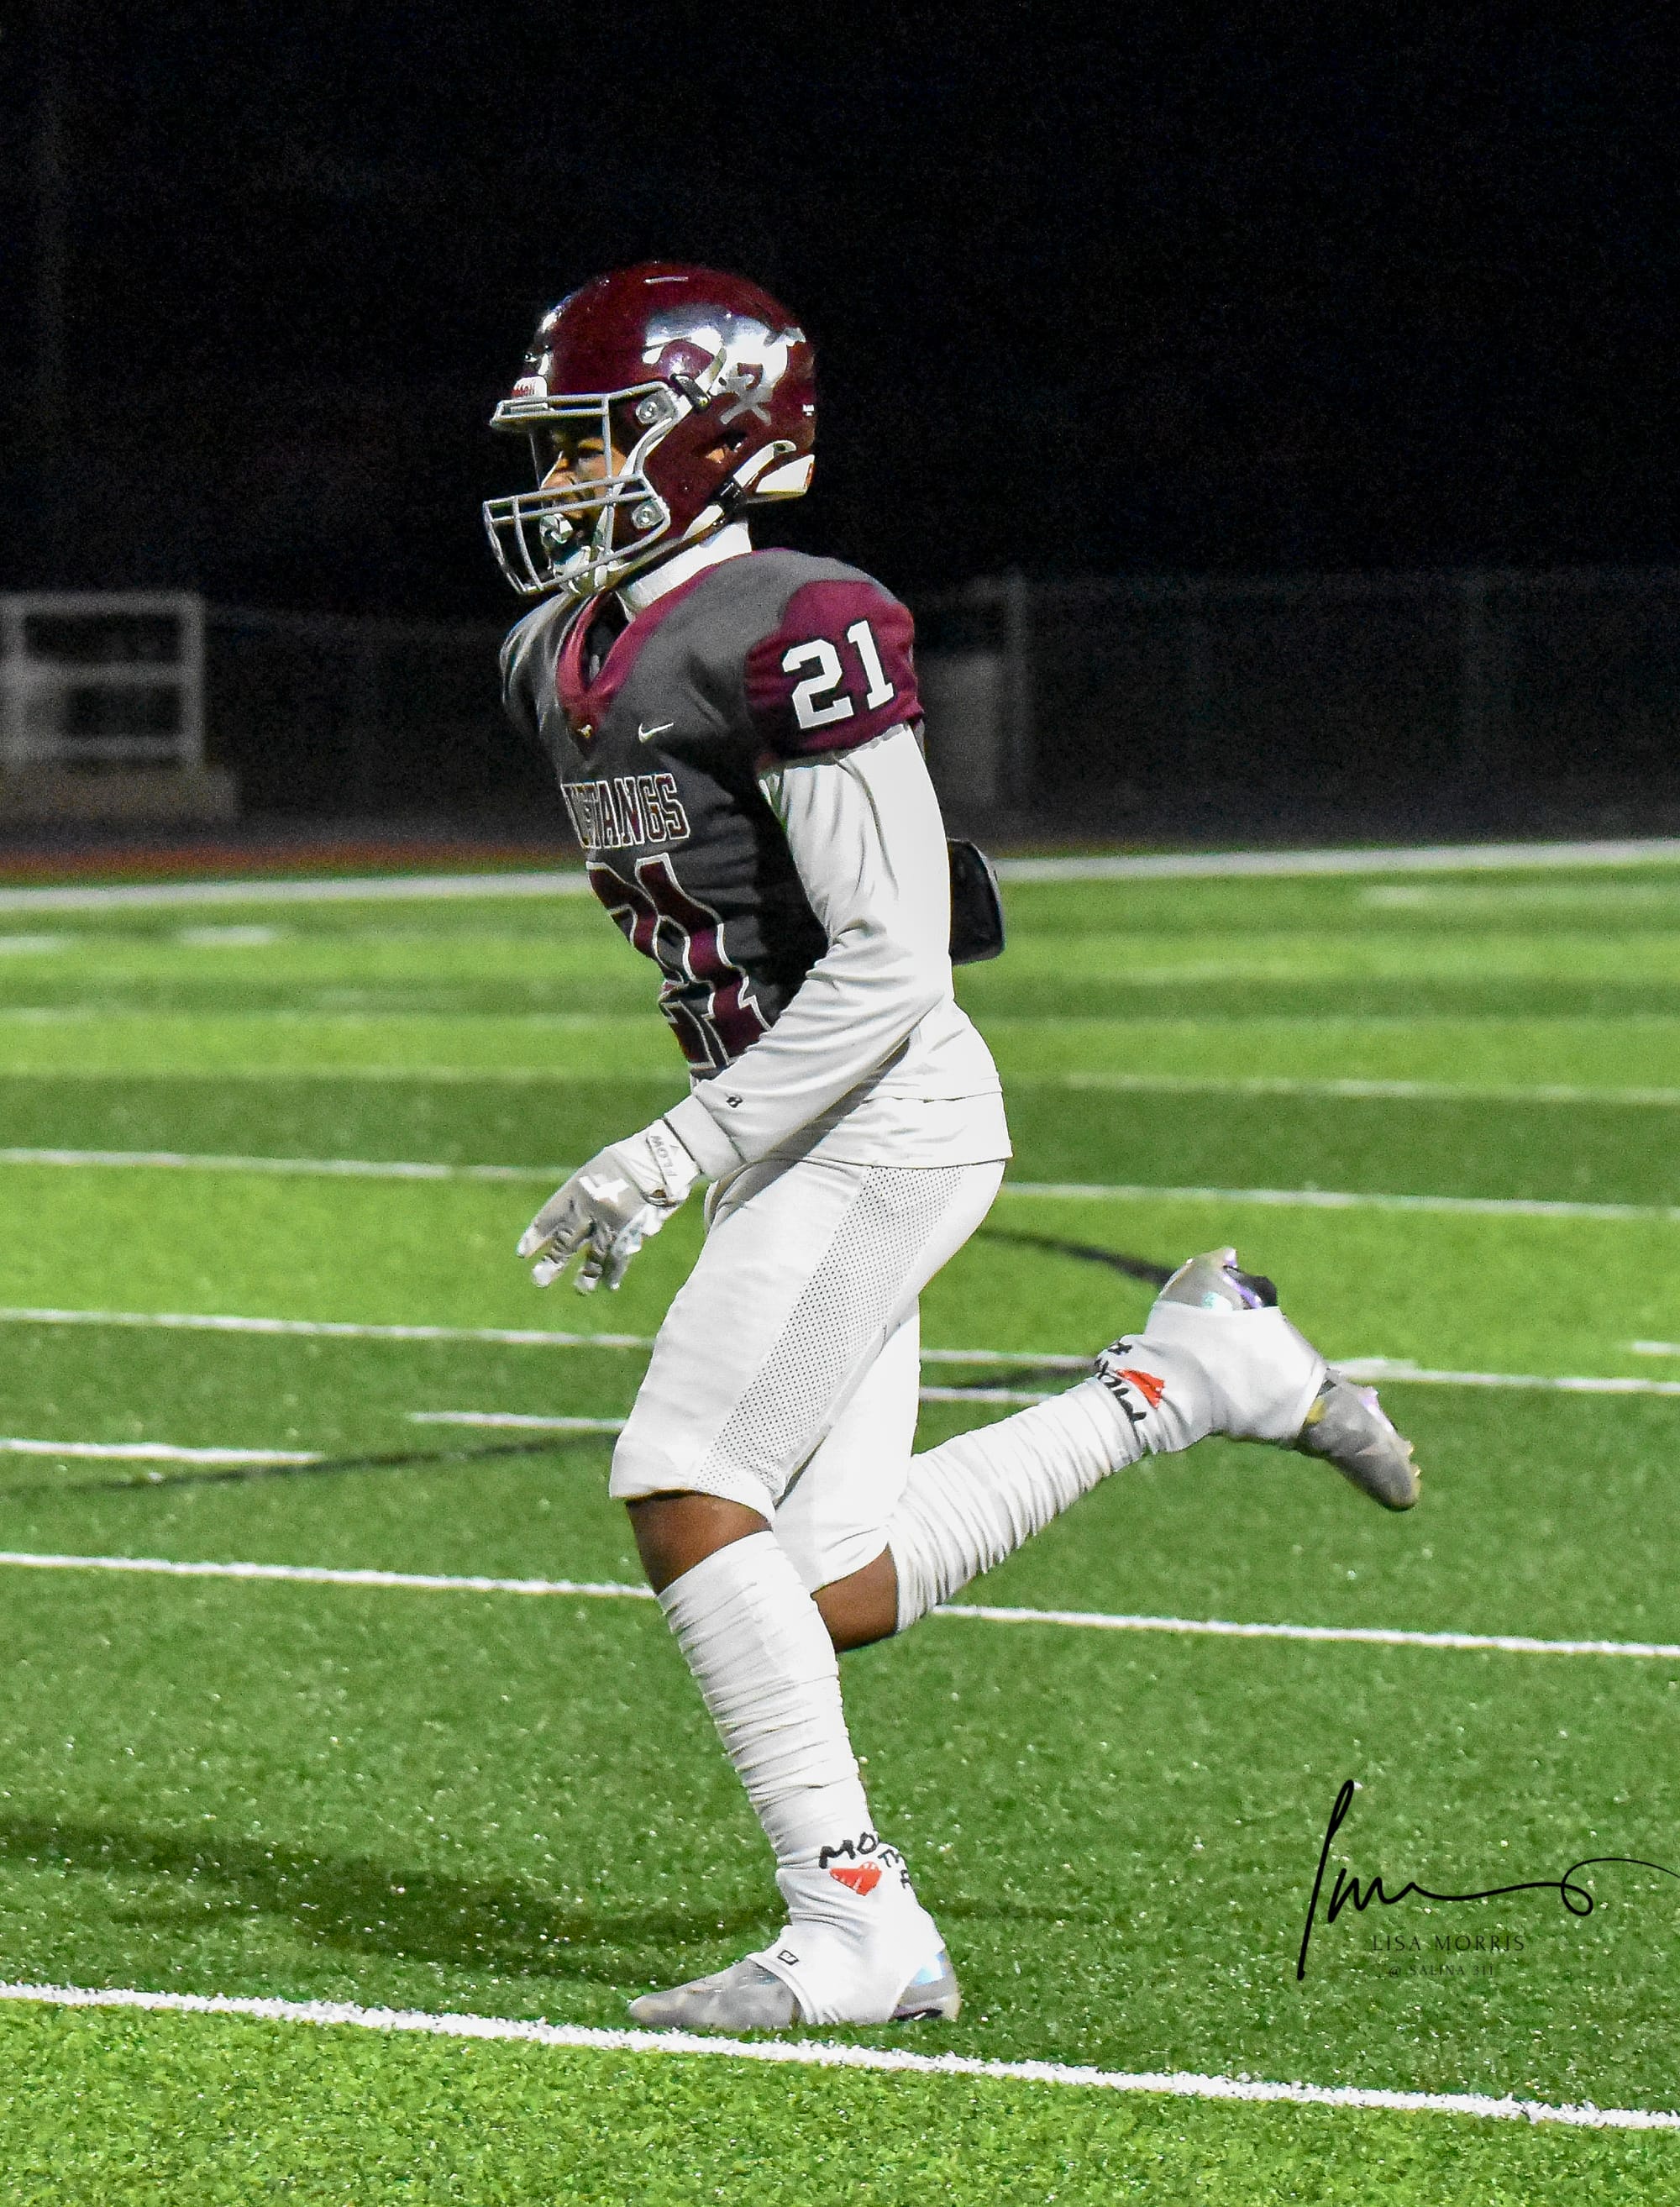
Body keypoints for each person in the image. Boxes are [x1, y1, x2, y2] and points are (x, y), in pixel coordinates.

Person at [486, 262, 1419, 2034]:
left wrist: (672, 1147)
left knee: (684, 1483)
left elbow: (895, 958)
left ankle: (854, 1923)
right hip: (796, 1126)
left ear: (712, 438)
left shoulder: (795, 623)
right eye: (554, 446)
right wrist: (719, 1139)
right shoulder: (565, 656)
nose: (558, 479)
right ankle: (1189, 1378)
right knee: (816, 1582)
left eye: (594, 441)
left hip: (880, 1113)